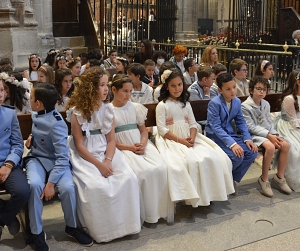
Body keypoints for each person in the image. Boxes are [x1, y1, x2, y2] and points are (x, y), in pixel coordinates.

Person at [66, 67, 141, 242]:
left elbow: (111, 140)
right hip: (85, 154)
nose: (106, 89)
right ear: (90, 88)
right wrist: (99, 165)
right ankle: (102, 231)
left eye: (106, 84)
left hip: (107, 151)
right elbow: (78, 144)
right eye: (101, 85)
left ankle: (125, 226)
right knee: (95, 186)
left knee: (127, 179)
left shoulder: (108, 109)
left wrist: (107, 160)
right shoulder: (77, 112)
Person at [24, 83, 93, 250]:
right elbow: (39, 129)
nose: (29, 99)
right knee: (34, 185)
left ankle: (71, 226)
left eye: (31, 97)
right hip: (37, 159)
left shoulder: (57, 123)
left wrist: (51, 184)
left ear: (38, 103)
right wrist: (31, 137)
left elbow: (62, 157)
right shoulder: (37, 112)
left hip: (56, 162)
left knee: (68, 188)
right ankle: (37, 232)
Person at [154, 69, 234, 207]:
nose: (177, 88)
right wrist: (181, 140)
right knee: (187, 161)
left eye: (179, 85)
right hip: (172, 139)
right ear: (167, 86)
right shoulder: (162, 106)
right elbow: (161, 129)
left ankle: (209, 193)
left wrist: (191, 137)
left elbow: (192, 123)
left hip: (190, 136)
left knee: (212, 156)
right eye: (173, 85)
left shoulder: (186, 103)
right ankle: (189, 196)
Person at [111, 74, 172, 223]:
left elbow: (143, 130)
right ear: (113, 90)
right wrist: (129, 147)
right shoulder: (108, 111)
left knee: (160, 168)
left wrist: (143, 144)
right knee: (141, 172)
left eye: (130, 91)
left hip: (140, 144)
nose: (128, 95)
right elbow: (109, 139)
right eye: (124, 91)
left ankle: (158, 211)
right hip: (122, 147)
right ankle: (142, 213)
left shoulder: (136, 107)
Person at [0, 73, 30, 245]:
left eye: (2, 90)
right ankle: (8, 217)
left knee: (23, 191)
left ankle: (0, 221)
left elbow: (17, 144)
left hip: (8, 162)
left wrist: (9, 164)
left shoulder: (9, 114)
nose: (1, 94)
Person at [205, 73, 258, 193]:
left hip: (230, 133)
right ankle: (223, 180)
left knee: (252, 153)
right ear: (220, 90)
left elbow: (241, 122)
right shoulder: (215, 103)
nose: (232, 91)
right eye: (228, 89)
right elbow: (215, 127)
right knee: (237, 156)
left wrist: (247, 139)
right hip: (215, 136)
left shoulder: (237, 101)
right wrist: (232, 144)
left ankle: (231, 179)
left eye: (234, 87)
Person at [241, 76, 291, 197]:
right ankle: (264, 179)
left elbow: (269, 122)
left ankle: (280, 177)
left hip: (268, 134)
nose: (262, 92)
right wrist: (269, 136)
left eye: (264, 89)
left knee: (285, 145)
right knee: (270, 147)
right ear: (251, 90)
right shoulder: (245, 106)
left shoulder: (266, 104)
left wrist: (274, 134)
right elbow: (250, 127)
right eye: (258, 89)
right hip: (255, 135)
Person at [274, 70, 300, 192]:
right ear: (298, 82)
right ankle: (285, 178)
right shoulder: (289, 99)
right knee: (296, 148)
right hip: (288, 126)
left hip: (297, 125)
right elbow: (294, 121)